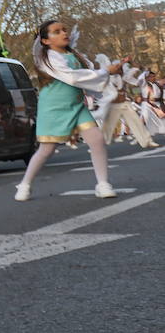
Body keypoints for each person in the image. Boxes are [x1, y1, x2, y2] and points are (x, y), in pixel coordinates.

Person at [15, 21, 121, 200]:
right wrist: (105, 72)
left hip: (77, 105)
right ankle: (25, 184)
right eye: (56, 32)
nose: (64, 33)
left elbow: (88, 75)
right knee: (46, 149)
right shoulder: (47, 58)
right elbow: (72, 78)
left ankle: (103, 184)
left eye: (64, 30)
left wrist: (109, 71)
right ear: (45, 41)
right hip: (53, 109)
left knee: (96, 140)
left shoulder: (75, 56)